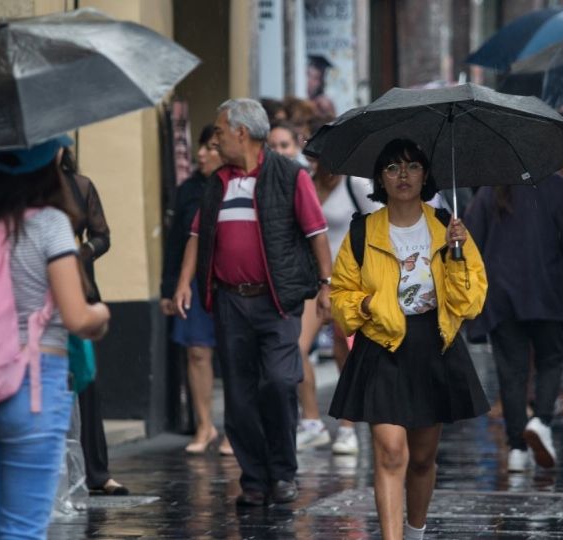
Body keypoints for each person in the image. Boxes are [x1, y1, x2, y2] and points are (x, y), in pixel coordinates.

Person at [172, 99, 332, 506]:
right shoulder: (216, 183)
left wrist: (327, 283)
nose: (216, 139)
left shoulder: (290, 176)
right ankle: (255, 480)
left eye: (221, 132)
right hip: (230, 302)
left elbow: (316, 232)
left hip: (276, 300)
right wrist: (184, 283)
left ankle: (283, 472)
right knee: (240, 395)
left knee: (279, 382)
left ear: (241, 133)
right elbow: (196, 236)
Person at [328, 139, 488, 540]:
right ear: (380, 178)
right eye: (393, 168)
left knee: (421, 458)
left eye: (413, 166)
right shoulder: (363, 231)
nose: (403, 175)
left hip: (432, 344)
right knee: (391, 453)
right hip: (381, 346)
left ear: (425, 175)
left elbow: (470, 301)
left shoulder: (447, 226)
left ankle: (415, 532)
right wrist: (366, 305)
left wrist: (457, 252)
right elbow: (341, 294)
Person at [0, 137, 111, 539]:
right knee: (24, 528)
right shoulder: (50, 225)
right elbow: (78, 317)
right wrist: (101, 314)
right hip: (34, 384)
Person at [464, 174, 563, 472]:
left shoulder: (492, 188)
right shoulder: (561, 191)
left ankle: (516, 446)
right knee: (551, 360)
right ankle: (541, 419)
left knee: (510, 370)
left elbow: (472, 239)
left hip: (502, 292)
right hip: (548, 290)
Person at [295, 162, 380, 454]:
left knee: (346, 354)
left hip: (349, 281)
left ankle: (347, 427)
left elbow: (377, 227)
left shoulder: (354, 184)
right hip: (314, 280)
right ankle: (311, 422)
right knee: (296, 349)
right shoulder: (304, 182)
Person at [59, 147, 128, 495]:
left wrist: (81, 252)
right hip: (39, 297)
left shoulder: (80, 185)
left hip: (78, 289)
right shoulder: (22, 189)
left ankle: (97, 471)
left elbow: (102, 235)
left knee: (86, 384)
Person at [160, 125, 233, 457]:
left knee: (235, 356)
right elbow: (176, 242)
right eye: (201, 147)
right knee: (197, 352)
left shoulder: (239, 185)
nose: (201, 154)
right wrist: (169, 287)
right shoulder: (189, 189)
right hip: (195, 280)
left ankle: (235, 428)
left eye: (211, 148)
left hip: (232, 279)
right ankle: (205, 424)